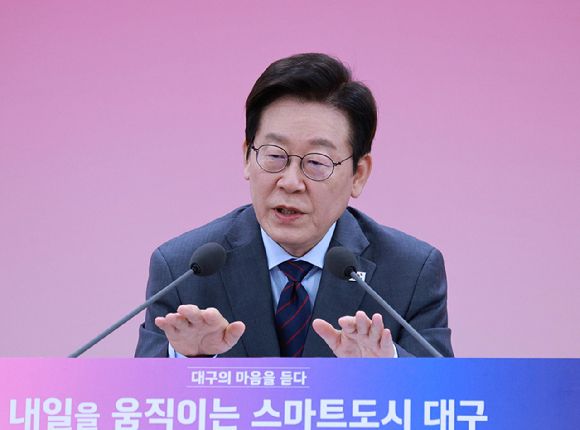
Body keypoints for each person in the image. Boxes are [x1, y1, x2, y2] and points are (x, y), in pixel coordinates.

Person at [135, 53, 453, 358]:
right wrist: (188, 359)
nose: (290, 182)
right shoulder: (183, 269)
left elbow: (445, 389)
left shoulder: (410, 272)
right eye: (275, 155)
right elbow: (140, 389)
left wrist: (389, 369)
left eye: (316, 162)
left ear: (358, 174)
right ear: (247, 157)